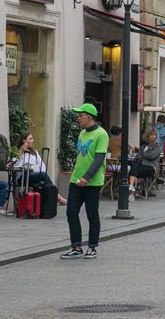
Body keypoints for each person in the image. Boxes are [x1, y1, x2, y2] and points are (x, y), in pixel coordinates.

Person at [61, 104, 107, 259]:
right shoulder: (81, 133)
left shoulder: (101, 134)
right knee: (71, 212)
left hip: (92, 182)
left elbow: (99, 160)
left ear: (89, 116)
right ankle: (76, 246)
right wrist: (78, 177)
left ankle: (92, 247)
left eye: (81, 115)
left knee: (92, 214)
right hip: (76, 180)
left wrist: (86, 177)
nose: (78, 118)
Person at [12, 132, 64, 205]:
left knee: (43, 177)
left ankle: (49, 202)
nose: (33, 140)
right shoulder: (18, 151)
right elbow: (15, 166)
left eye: (32, 139)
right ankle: (56, 196)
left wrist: (38, 172)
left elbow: (42, 165)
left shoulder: (34, 152)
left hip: (34, 175)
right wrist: (21, 152)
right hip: (22, 177)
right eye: (30, 139)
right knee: (43, 176)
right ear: (24, 141)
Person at [129, 130, 162, 198]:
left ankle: (129, 188)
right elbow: (138, 156)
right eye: (152, 135)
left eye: (155, 135)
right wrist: (142, 155)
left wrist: (142, 154)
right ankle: (132, 190)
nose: (154, 136)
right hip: (140, 165)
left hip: (151, 166)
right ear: (147, 136)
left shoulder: (157, 146)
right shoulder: (143, 146)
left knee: (133, 170)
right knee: (134, 168)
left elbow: (152, 156)